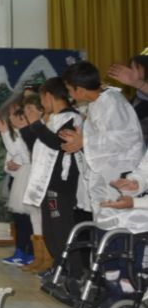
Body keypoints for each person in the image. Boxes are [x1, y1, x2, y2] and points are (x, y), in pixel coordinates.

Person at [60, 61, 144, 233]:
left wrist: (85, 141)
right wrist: (79, 142)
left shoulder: (112, 101)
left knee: (119, 227)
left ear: (80, 90)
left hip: (121, 175)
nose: (69, 94)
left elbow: (126, 137)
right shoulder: (95, 103)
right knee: (104, 223)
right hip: (105, 174)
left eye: (69, 89)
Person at [18, 80, 82, 276]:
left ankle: (74, 273)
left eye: (42, 98)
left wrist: (37, 124)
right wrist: (27, 127)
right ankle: (59, 270)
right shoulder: (52, 119)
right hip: (46, 183)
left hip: (61, 183)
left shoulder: (72, 117)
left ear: (48, 96)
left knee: (61, 230)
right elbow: (39, 145)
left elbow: (58, 144)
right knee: (50, 231)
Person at [0, 100, 36, 267]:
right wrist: (11, 166)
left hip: (28, 179)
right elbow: (11, 157)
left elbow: (22, 154)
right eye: (10, 114)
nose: (10, 118)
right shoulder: (15, 133)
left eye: (14, 114)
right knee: (20, 218)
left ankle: (30, 252)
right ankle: (20, 250)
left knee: (30, 219)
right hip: (17, 178)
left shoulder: (29, 133)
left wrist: (5, 133)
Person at [108, 52, 148, 120]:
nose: (131, 71)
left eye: (135, 68)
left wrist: (136, 82)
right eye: (130, 68)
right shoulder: (139, 94)